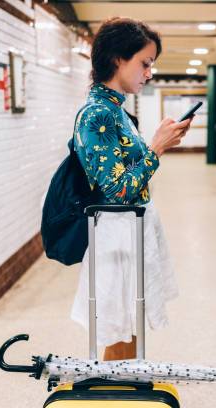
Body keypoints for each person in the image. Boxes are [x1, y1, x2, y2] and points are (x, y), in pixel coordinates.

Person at [70, 17, 193, 361]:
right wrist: (156, 148)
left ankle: (124, 388)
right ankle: (114, 392)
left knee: (130, 325)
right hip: (115, 234)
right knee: (120, 331)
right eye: (145, 63)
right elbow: (119, 190)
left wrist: (157, 145)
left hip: (131, 229)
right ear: (116, 59)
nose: (149, 73)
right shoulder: (96, 115)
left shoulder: (116, 111)